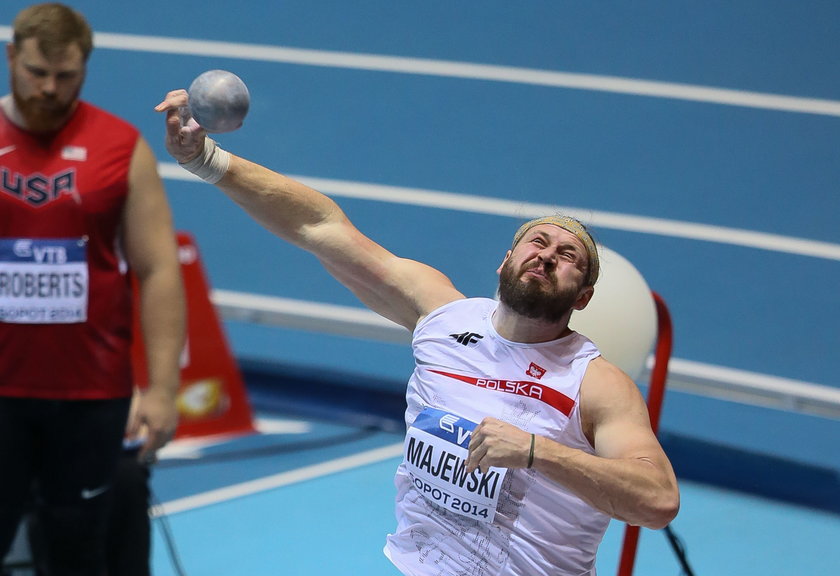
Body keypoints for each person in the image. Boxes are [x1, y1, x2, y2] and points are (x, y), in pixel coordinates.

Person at [155, 89, 680, 575]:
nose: (546, 254)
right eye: (537, 241)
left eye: (568, 257)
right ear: (505, 263)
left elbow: (657, 500)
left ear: (583, 297)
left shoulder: (595, 384)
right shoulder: (444, 318)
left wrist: (537, 451)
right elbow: (320, 228)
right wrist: (208, 161)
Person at [0, 4, 186, 575]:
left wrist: (160, 389)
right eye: (36, 72)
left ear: (85, 69)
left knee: (77, 551)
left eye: (66, 76)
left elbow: (157, 270)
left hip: (89, 396)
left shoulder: (120, 148)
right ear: (11, 57)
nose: (49, 89)